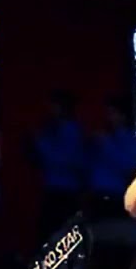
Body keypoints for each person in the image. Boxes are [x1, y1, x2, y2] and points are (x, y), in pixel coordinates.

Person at [30, 90, 87, 240]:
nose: (51, 109)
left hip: (64, 189)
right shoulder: (54, 128)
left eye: (54, 106)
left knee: (58, 233)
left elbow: (66, 158)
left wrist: (41, 144)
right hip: (54, 187)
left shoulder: (70, 130)